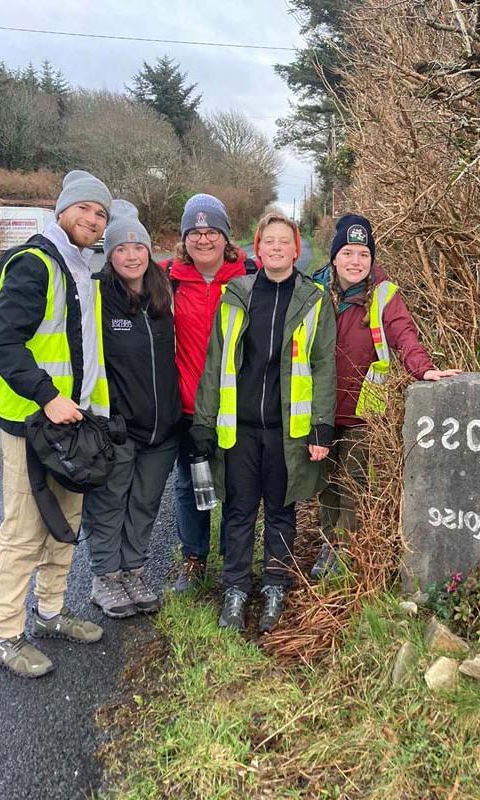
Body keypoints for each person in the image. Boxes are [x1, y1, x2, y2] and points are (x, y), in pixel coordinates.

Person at [0, 170, 113, 678]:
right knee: (23, 529)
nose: (93, 219)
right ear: (63, 211)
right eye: (84, 209)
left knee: (66, 521)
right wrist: (48, 396)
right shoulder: (34, 264)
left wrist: (89, 410)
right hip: (30, 421)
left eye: (100, 214)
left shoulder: (79, 267)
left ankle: (52, 612)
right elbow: (0, 344)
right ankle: (6, 633)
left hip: (72, 423)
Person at [192, 212, 336, 633]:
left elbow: (324, 364)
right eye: (267, 241)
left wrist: (321, 424)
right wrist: (203, 420)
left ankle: (275, 584)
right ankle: (235, 589)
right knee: (238, 512)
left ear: (297, 249)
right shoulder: (236, 294)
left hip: (286, 430)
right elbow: (216, 360)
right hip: (239, 430)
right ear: (258, 248)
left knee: (280, 511)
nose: (275, 247)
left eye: (283, 241)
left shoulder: (314, 299)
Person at [311, 214, 459, 578]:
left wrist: (422, 367)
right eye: (347, 252)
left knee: (355, 483)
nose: (355, 261)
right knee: (326, 483)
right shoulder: (312, 291)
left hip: (364, 409)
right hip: (319, 409)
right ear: (334, 258)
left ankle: (348, 555)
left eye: (363, 254)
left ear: (371, 259)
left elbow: (403, 333)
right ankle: (329, 547)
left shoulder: (383, 294)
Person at [82, 199, 181, 618]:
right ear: (110, 254)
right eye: (121, 248)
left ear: (148, 250)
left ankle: (134, 571)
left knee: (145, 502)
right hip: (118, 427)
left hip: (163, 429)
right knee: (109, 504)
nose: (131, 255)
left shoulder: (163, 292)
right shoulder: (97, 294)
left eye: (137, 246)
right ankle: (105, 578)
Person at [163, 194, 256, 593]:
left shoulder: (249, 276)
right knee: (190, 483)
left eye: (211, 231)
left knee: (237, 483)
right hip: (186, 404)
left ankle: (234, 560)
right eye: (195, 233)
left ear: (225, 236)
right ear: (185, 238)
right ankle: (194, 558)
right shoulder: (167, 278)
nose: (204, 240)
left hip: (236, 402)